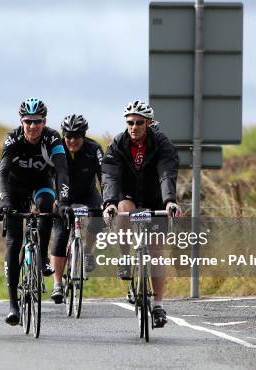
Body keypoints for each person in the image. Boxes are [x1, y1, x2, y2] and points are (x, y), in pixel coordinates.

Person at [101, 100, 182, 328]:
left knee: (156, 251)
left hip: (155, 196)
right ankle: (126, 256)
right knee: (124, 209)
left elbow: (167, 172)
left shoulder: (161, 142)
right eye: (129, 122)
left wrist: (169, 202)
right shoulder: (118, 142)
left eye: (138, 123)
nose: (133, 127)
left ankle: (157, 305)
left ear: (148, 123)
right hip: (128, 193)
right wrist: (109, 203)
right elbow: (110, 175)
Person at [0, 98, 71, 325]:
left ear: (44, 122)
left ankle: (43, 257)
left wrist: (64, 201)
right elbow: (3, 172)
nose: (32, 126)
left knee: (47, 205)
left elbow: (63, 172)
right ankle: (13, 305)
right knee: (14, 242)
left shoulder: (52, 138)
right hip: (15, 188)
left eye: (37, 122)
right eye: (28, 121)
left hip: (41, 184)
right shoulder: (13, 138)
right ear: (22, 121)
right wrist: (6, 200)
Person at [50, 114, 104, 304]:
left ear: (84, 136)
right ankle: (57, 284)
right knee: (60, 233)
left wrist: (108, 200)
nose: (72, 140)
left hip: (88, 192)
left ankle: (87, 251)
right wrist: (54, 199)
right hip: (62, 195)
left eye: (77, 136)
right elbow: (49, 175)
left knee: (99, 214)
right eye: (68, 136)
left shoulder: (94, 148)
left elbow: (103, 176)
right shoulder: (57, 149)